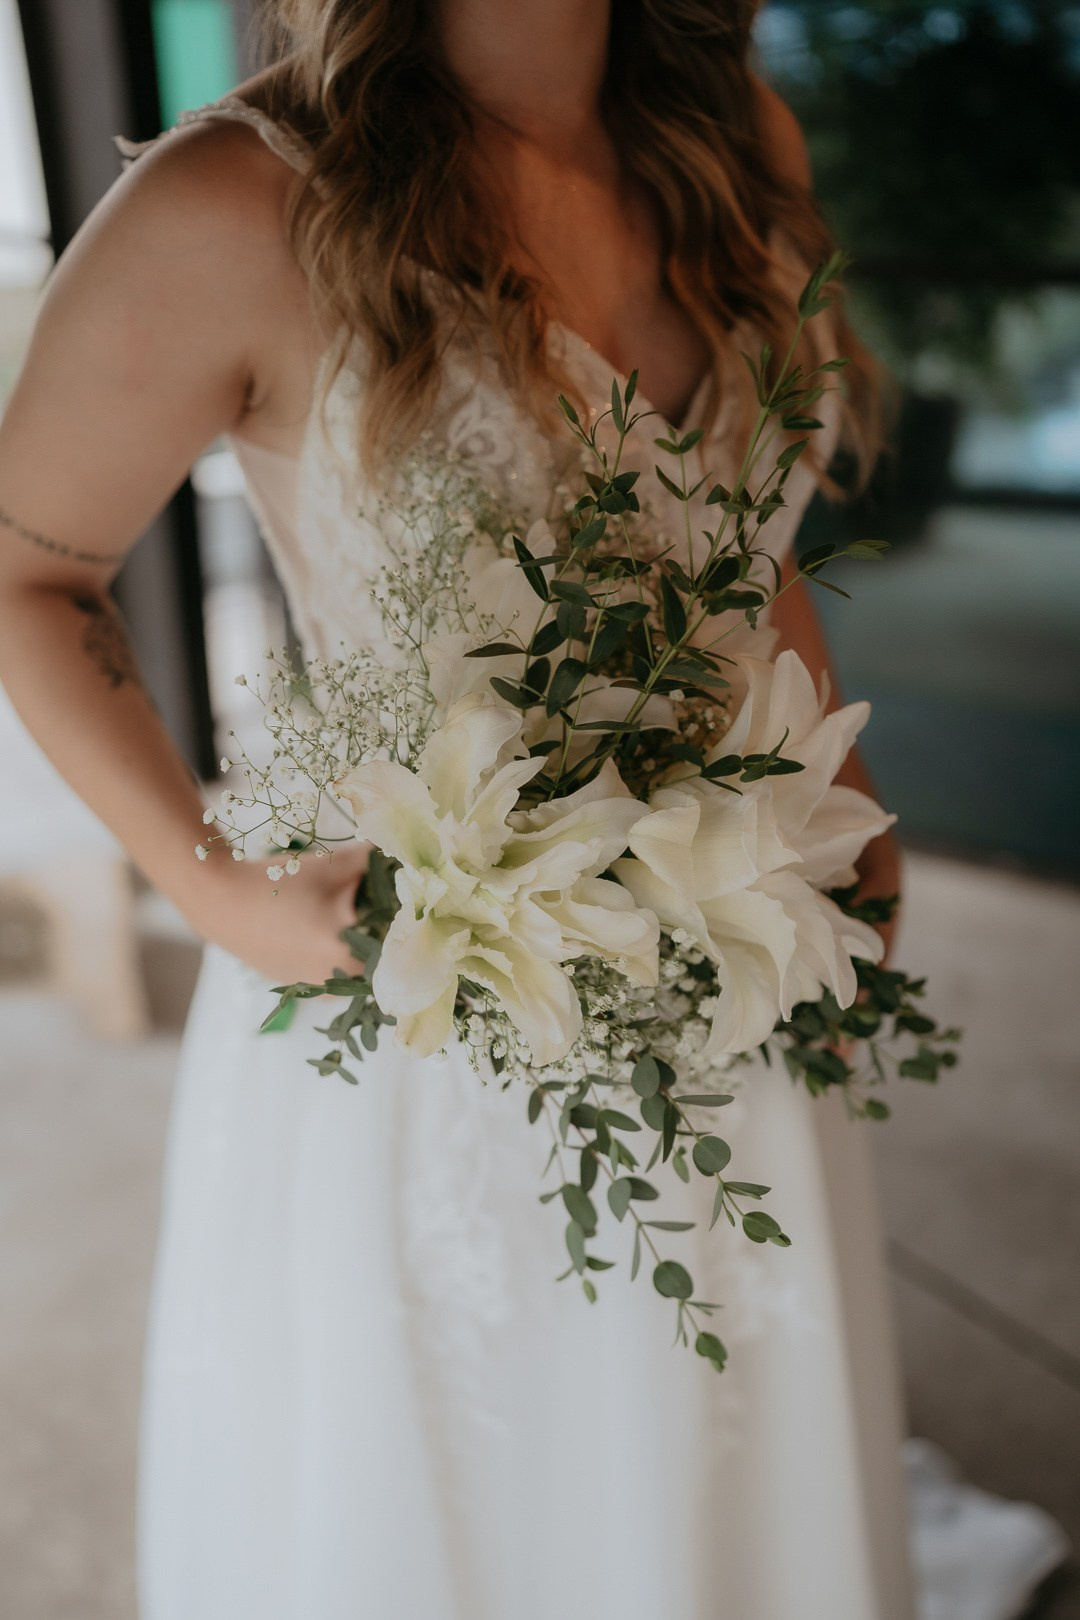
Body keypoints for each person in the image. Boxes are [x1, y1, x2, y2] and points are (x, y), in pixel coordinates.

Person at [0, 3, 918, 1616]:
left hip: (740, 967)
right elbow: (25, 573)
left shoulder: (726, 137)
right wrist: (213, 889)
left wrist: (834, 786)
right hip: (426, 1015)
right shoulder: (237, 200)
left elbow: (750, 552)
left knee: (731, 1487)